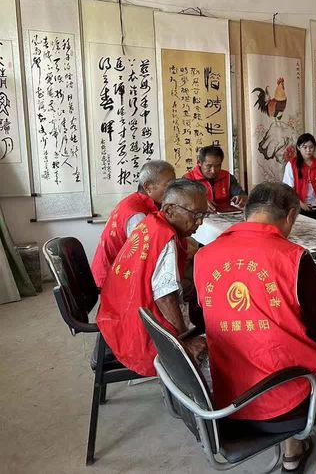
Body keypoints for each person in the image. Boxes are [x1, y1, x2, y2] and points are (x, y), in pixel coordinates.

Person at [194, 182, 316, 473]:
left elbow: (203, 318)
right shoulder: (294, 258)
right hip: (281, 403)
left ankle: (292, 454)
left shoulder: (203, 256)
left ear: (246, 212)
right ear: (291, 216)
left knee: (271, 349)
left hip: (227, 397)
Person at [96, 179, 209, 376]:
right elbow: (165, 298)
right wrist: (183, 341)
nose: (200, 221)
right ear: (170, 210)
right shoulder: (165, 237)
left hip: (115, 314)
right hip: (134, 330)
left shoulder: (152, 222)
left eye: (203, 215)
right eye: (195, 214)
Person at [91, 160, 176, 289]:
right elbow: (146, 258)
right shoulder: (137, 214)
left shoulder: (136, 201)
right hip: (113, 280)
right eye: (168, 185)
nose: (173, 191)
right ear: (148, 187)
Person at [282, 133, 316, 224]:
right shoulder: (291, 165)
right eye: (305, 147)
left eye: (311, 147)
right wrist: (301, 204)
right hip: (298, 205)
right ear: (298, 147)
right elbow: (289, 190)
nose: (308, 150)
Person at [184, 145, 247, 212]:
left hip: (225, 215)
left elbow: (241, 195)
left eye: (217, 166)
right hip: (199, 215)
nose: (213, 170)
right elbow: (183, 202)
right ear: (199, 163)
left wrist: (242, 198)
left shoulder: (227, 177)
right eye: (209, 166)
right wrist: (199, 202)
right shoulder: (188, 179)